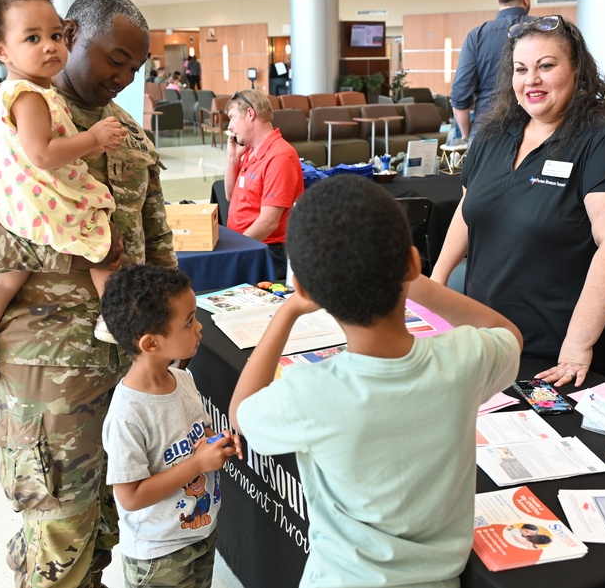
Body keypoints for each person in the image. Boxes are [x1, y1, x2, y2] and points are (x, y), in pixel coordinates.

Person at [0, 0, 176, 588]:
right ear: (72, 35)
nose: (123, 77)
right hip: (46, 377)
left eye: (135, 68)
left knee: (108, 523)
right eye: (114, 59)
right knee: (61, 531)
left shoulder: (127, 135)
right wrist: (66, 247)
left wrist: (166, 332)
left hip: (124, 366)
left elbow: (156, 242)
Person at [229, 175, 522, 587]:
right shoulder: (463, 360)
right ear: (413, 263)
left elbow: (241, 413)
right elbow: (507, 334)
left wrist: (287, 312)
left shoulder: (310, 393)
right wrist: (413, 281)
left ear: (305, 288)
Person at [430, 15, 605, 387]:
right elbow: (467, 211)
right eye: (521, 69)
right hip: (493, 335)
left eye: (546, 66)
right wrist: (436, 287)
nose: (531, 80)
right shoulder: (494, 133)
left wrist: (576, 346)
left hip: (565, 350)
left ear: (577, 70)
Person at [0, 0, 128, 385]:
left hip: (19, 197)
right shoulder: (28, 95)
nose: (49, 46)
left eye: (56, 35)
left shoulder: (32, 92)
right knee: (103, 244)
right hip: (39, 195)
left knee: (6, 277)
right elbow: (43, 154)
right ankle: (113, 317)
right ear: (1, 50)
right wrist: (93, 139)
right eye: (32, 38)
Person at [101, 264, 242, 588]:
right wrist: (197, 463)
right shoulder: (128, 415)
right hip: (158, 554)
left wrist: (214, 442)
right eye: (189, 322)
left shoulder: (183, 378)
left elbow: (196, 433)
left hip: (200, 530)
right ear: (151, 344)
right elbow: (131, 497)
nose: (199, 328)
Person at [223, 88, 303, 279]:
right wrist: (233, 158)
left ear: (250, 114)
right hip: (248, 245)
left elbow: (268, 222)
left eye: (233, 118)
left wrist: (235, 252)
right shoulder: (252, 151)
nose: (230, 127)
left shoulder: (279, 156)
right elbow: (230, 195)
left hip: (268, 253)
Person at [450, 0, 532, 143]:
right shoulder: (542, 30)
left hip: (486, 132)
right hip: (532, 132)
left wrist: (466, 135)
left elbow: (460, 94)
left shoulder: (477, 36)